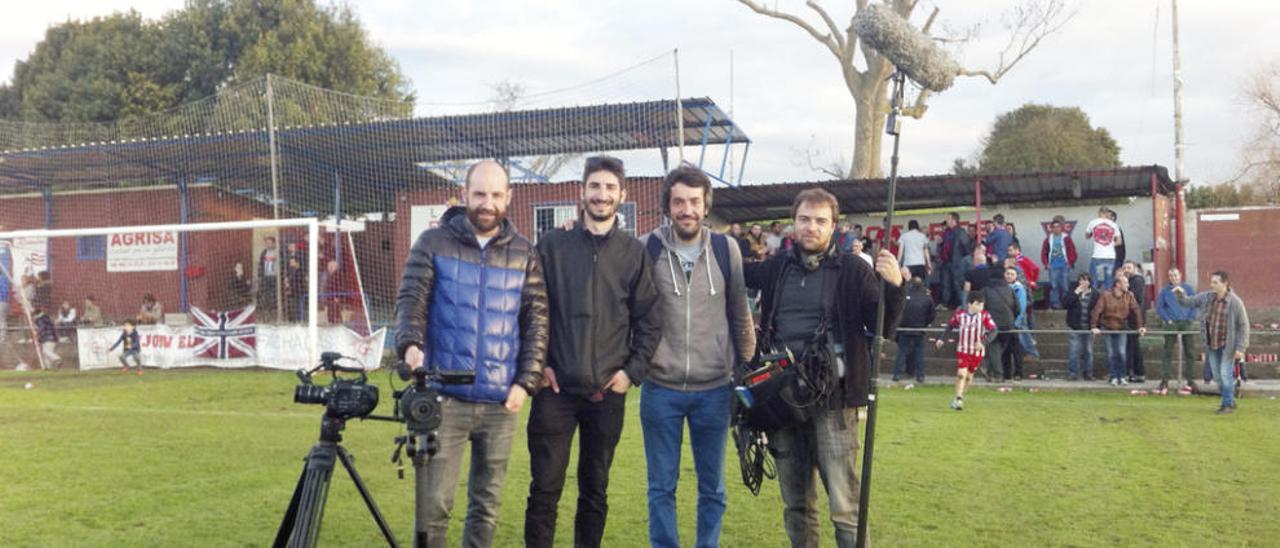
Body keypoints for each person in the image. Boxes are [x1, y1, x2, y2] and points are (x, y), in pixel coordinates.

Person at [394, 159, 548, 548]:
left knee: (486, 507)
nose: (487, 203)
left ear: (509, 198)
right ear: (464, 194)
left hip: (500, 405)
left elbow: (537, 322)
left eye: (496, 195)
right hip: (444, 399)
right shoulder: (432, 243)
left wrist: (525, 382)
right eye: (479, 194)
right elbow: (411, 299)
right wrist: (410, 345)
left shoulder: (525, 253)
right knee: (434, 508)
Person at [742, 187, 904, 548]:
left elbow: (881, 326)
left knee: (845, 507)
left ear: (834, 226)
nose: (811, 227)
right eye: (804, 220)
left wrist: (894, 286)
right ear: (792, 224)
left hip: (834, 400)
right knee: (796, 505)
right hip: (781, 398)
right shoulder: (777, 267)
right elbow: (729, 271)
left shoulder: (852, 270)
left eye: (820, 221)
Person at [525, 155, 661, 548]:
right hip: (555, 392)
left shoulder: (634, 253)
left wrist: (631, 372)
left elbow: (650, 320)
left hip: (606, 394)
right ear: (581, 191)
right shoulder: (552, 245)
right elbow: (530, 310)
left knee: (595, 491)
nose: (602, 195)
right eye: (595, 187)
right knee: (544, 491)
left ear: (622, 194)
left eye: (610, 188)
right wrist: (541, 364)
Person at [639, 166, 755, 548]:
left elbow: (740, 314)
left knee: (713, 488)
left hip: (714, 390)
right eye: (678, 202)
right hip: (660, 389)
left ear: (706, 206)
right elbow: (630, 313)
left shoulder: (727, 249)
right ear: (668, 206)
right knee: (661, 487)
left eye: (693, 201)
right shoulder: (647, 248)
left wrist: (746, 371)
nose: (686, 209)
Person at [1174, 271, 1250, 414]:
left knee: (1225, 374)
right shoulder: (1207, 297)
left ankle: (1226, 404)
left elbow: (1244, 325)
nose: (1212, 285)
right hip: (1212, 344)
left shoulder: (1235, 302)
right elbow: (1188, 302)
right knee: (1217, 376)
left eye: (1216, 282)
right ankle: (1230, 400)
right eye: (1212, 282)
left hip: (1229, 346)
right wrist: (1180, 293)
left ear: (1225, 284)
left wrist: (1241, 347)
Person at [937, 292, 998, 410]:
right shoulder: (960, 315)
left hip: (977, 352)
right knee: (961, 375)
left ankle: (960, 397)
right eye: (977, 304)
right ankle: (958, 398)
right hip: (963, 349)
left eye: (982, 305)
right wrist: (942, 339)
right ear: (970, 304)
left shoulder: (984, 316)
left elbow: (994, 330)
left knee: (969, 377)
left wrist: (983, 342)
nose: (980, 307)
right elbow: (950, 326)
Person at [1090, 274, 1145, 386]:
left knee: (1121, 352)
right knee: (1111, 353)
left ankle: (1122, 375)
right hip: (1107, 326)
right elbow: (1097, 310)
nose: (1128, 285)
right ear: (1118, 284)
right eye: (1126, 283)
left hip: (1121, 326)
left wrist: (1140, 326)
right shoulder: (1106, 295)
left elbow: (1137, 311)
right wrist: (1094, 326)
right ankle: (1113, 376)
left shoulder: (1129, 296)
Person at [1157, 267, 1198, 392]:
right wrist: (1167, 319)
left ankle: (1190, 380)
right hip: (1172, 323)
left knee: (1190, 351)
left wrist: (1191, 318)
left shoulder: (1188, 289)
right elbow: (1160, 307)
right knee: (1167, 352)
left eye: (1175, 275)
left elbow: (1195, 304)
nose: (1173, 278)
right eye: (1171, 276)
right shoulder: (1165, 291)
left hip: (1186, 322)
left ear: (1180, 275)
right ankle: (1164, 381)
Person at [893, 273, 935, 383]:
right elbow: (932, 314)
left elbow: (898, 310)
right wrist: (925, 324)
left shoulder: (904, 296)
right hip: (920, 328)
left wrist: (900, 323)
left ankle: (897, 374)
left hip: (905, 327)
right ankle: (920, 375)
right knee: (919, 352)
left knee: (901, 351)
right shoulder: (927, 297)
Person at [980, 266, 1017, 383]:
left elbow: (982, 308)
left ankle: (996, 374)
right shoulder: (1009, 290)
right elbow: (1018, 308)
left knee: (994, 349)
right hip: (1008, 324)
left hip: (992, 325)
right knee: (998, 349)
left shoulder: (985, 290)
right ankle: (990, 371)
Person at [1062, 272, 1099, 381]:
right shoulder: (1073, 292)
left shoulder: (1095, 294)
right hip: (1075, 327)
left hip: (1088, 328)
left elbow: (1098, 311)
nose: (1083, 282)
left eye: (1085, 280)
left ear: (1090, 282)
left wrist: (1096, 325)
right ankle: (1073, 373)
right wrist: (1075, 293)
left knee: (1088, 351)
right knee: (1073, 351)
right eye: (1081, 280)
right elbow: (1065, 304)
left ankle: (1088, 374)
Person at [1040, 217, 1077, 309]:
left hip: (1064, 265)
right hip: (1052, 266)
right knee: (1054, 286)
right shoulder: (1048, 239)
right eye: (1054, 227)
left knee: (1065, 286)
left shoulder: (1066, 238)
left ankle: (1066, 304)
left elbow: (1072, 251)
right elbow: (1044, 252)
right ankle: (1055, 304)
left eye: (1058, 227)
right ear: (1051, 229)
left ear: (1061, 228)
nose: (1056, 229)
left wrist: (1070, 262)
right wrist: (1046, 264)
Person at [939, 212, 973, 309]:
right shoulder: (947, 232)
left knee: (957, 284)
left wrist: (965, 262)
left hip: (957, 262)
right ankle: (945, 303)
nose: (947, 221)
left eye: (948, 219)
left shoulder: (961, 232)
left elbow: (966, 247)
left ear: (954, 220)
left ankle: (962, 304)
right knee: (946, 284)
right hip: (946, 262)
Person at [1122, 261, 1148, 382]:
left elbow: (1137, 299)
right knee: (1131, 347)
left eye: (1129, 267)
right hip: (1130, 319)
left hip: (1134, 320)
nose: (1126, 270)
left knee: (1133, 347)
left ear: (1134, 269)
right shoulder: (1130, 280)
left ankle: (1135, 372)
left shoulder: (1137, 280)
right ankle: (1135, 372)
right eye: (1125, 267)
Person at [1002, 266, 1028, 381]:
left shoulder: (1019, 289)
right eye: (1008, 274)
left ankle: (1018, 372)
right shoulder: (1002, 288)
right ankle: (1006, 373)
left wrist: (1016, 323)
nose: (1009, 276)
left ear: (1016, 276)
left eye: (1012, 274)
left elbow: (1021, 308)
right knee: (1005, 349)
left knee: (1016, 349)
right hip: (1004, 323)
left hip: (1014, 324)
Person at [1084, 208, 1121, 289]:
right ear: (1107, 213)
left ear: (1099, 213)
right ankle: (1108, 300)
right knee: (1109, 281)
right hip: (1110, 257)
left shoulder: (1093, 222)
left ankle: (1094, 299)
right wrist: (1109, 244)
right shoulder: (1113, 224)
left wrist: (1092, 234)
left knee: (1093, 280)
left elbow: (1087, 236)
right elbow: (1119, 242)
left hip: (1097, 255)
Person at [258, 235, 281, 321]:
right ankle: (267, 313)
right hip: (266, 277)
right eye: (266, 243)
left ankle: (276, 314)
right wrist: (260, 276)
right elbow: (260, 265)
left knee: (275, 295)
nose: (268, 245)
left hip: (275, 278)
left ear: (274, 243)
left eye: (269, 243)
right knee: (267, 296)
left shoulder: (277, 252)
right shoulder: (264, 253)